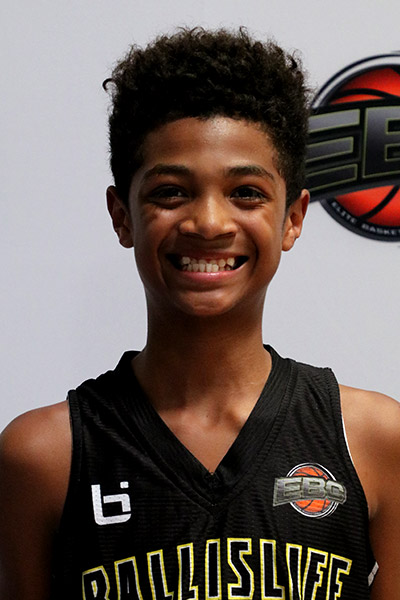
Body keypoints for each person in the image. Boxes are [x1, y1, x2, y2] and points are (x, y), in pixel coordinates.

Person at [0, 27, 399, 600]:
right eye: (170, 192)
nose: (209, 223)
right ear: (122, 215)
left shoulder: (372, 439)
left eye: (246, 192)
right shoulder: (43, 456)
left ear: (293, 218)